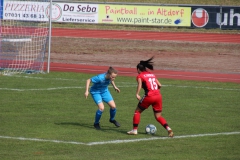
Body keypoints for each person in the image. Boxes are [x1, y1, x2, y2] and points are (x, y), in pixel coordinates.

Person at [127, 57, 174, 137]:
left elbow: (140, 85)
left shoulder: (140, 76)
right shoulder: (152, 74)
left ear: (138, 69)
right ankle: (168, 129)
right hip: (158, 96)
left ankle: (134, 130)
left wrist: (137, 94)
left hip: (149, 96)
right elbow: (160, 85)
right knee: (158, 116)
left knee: (137, 111)